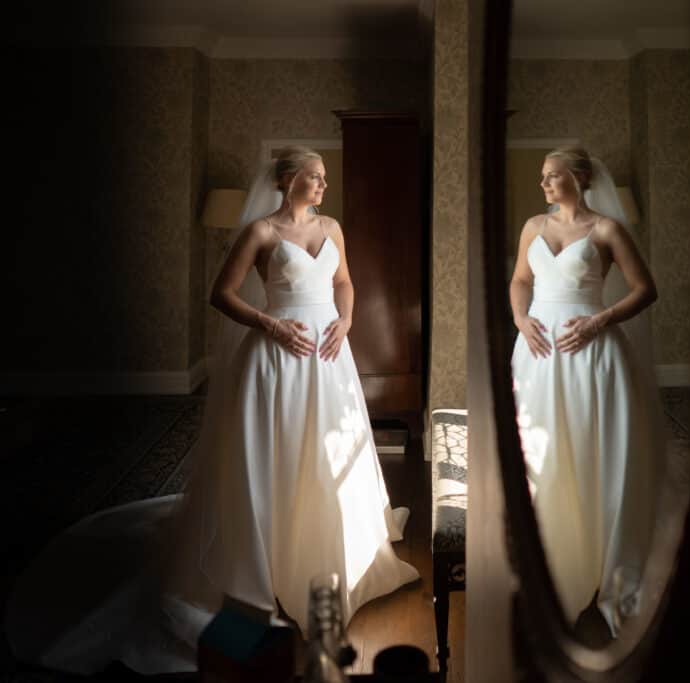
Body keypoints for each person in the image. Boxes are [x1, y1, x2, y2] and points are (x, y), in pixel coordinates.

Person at [5, 146, 419, 674]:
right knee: (274, 458)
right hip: (277, 357)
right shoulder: (262, 233)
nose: (322, 185)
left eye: (323, 178)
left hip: (329, 358)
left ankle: (326, 551)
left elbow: (344, 282)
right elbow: (221, 294)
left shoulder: (332, 227)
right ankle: (266, 566)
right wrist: (271, 325)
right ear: (288, 179)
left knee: (326, 451)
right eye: (313, 178)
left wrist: (347, 320)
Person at [509, 146, 664, 638]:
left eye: (554, 177)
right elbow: (519, 281)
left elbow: (645, 289)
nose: (545, 185)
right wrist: (520, 318)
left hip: (593, 356)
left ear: (579, 178)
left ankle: (603, 563)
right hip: (536, 354)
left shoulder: (606, 231)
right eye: (543, 178)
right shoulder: (533, 227)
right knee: (541, 451)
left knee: (596, 453)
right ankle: (552, 559)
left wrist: (600, 319)